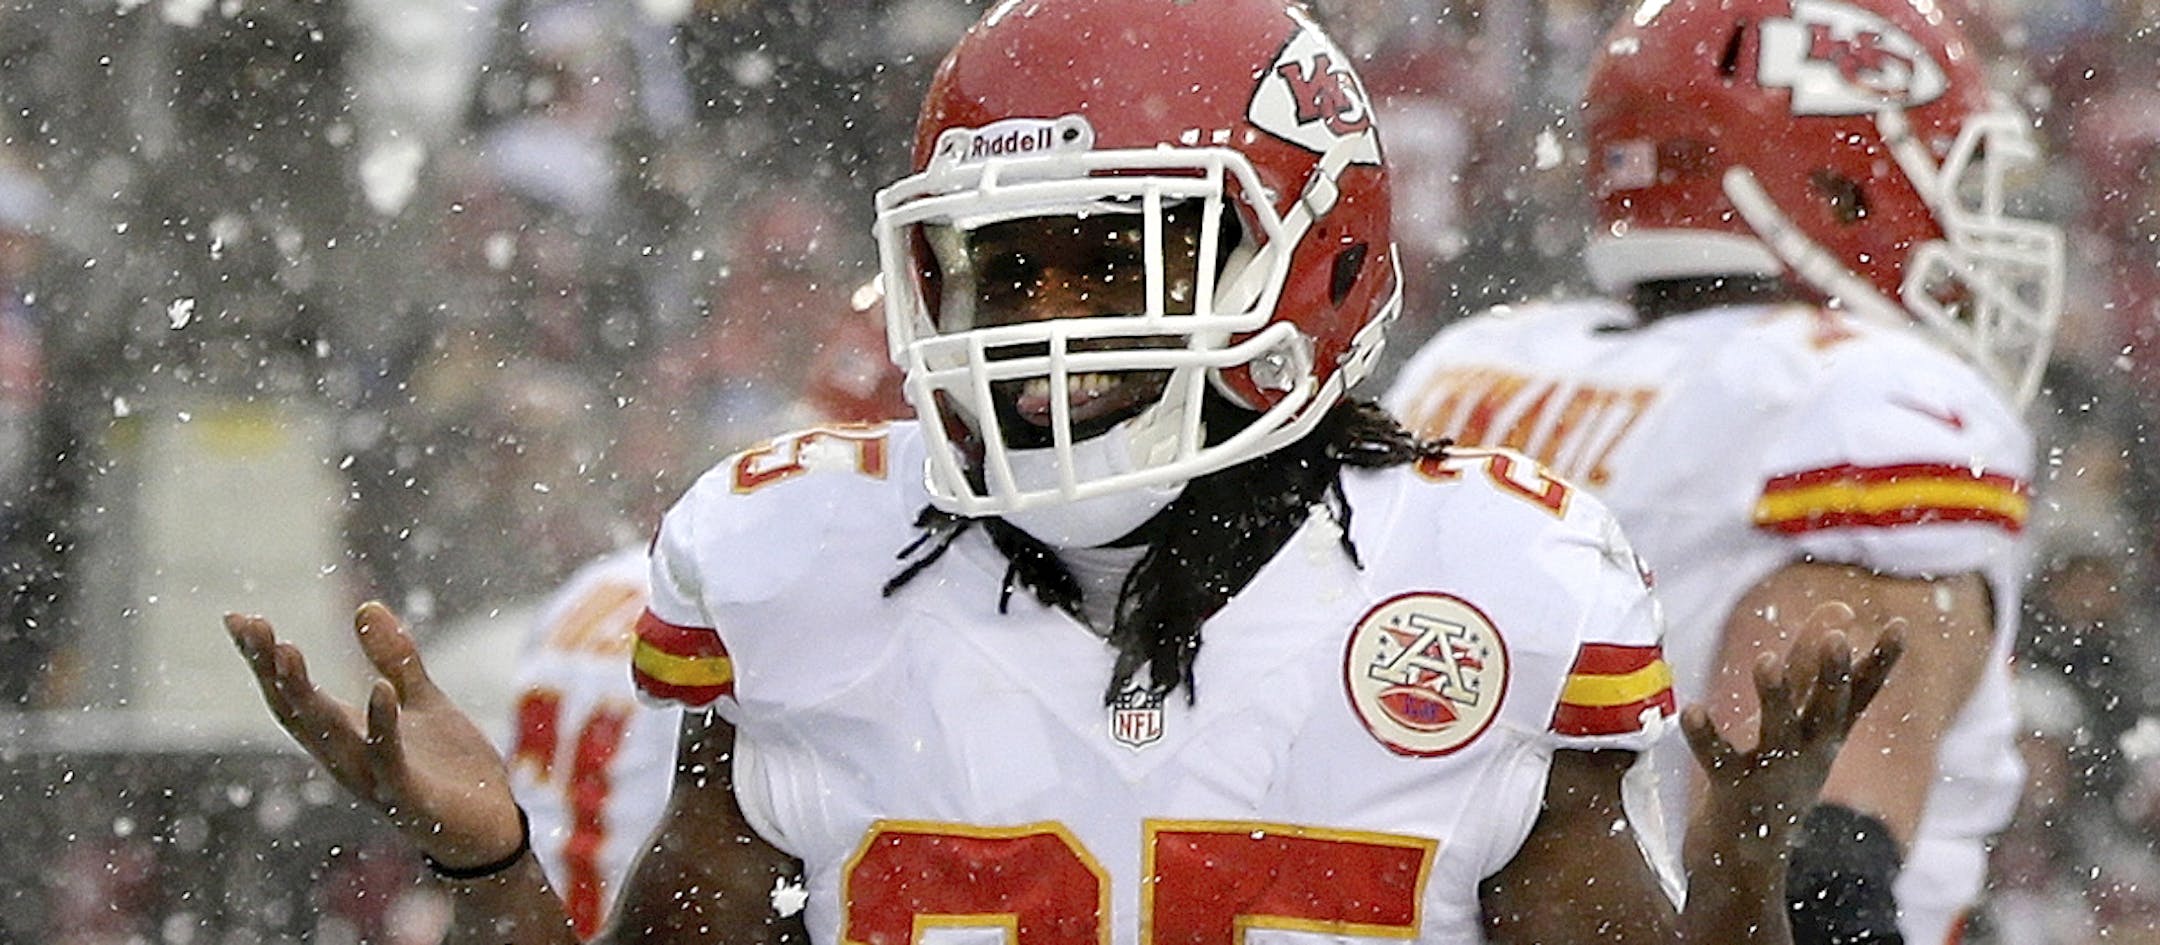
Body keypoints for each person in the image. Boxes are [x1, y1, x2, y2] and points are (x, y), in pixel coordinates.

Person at [224, 2, 1898, 943]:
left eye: (1110, 262)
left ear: (1306, 264)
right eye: (998, 272)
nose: (1040, 329)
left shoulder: (1493, 578)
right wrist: (489, 870)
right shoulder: (791, 557)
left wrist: (1747, 855)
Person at [1384, 2, 2063, 943]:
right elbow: (1816, 867)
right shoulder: (1854, 397)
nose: (1965, 218)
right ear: (1833, 177)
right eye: (1948, 169)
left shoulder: (1467, 370)